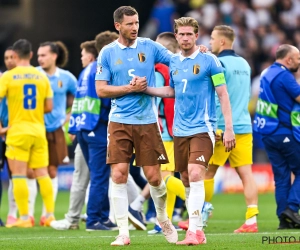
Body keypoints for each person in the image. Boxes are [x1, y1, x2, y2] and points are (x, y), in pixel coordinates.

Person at [145, 17, 235, 245]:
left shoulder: (210, 60)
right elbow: (171, 92)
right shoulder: (174, 62)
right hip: (179, 131)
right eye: (181, 34)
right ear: (176, 36)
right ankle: (198, 230)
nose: (185, 38)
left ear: (197, 35)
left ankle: (194, 231)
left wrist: (228, 129)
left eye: (189, 34)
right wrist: (146, 89)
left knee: (196, 173)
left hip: (203, 129)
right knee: (185, 178)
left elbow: (223, 94)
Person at [95, 6, 178, 246]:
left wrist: (197, 52)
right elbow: (102, 89)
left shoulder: (149, 46)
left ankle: (163, 218)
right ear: (118, 26)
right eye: (129, 24)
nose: (134, 28)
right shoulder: (108, 53)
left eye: (137, 23)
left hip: (147, 122)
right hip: (119, 121)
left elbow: (177, 60)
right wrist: (130, 89)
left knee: (154, 177)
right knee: (118, 173)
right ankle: (123, 232)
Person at [203, 25, 259, 233]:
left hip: (222, 127)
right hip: (244, 125)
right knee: (246, 174)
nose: (210, 43)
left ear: (222, 42)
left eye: (212, 39)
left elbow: (218, 96)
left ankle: (200, 216)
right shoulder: (244, 64)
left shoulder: (219, 63)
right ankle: (251, 220)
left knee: (208, 173)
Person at [0, 39, 55, 228]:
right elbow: (49, 106)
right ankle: (49, 215)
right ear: (31, 55)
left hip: (17, 131)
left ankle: (24, 218)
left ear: (14, 56)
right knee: (42, 174)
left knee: (19, 175)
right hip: (38, 131)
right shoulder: (41, 77)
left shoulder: (8, 76)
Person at [254, 44, 300, 229]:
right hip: (284, 131)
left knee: (281, 177)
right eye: (298, 59)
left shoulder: (266, 73)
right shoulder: (284, 75)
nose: (299, 62)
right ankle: (292, 208)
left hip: (268, 134)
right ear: (288, 59)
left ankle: (284, 220)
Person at [148, 31, 186, 234]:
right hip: (177, 129)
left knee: (163, 177)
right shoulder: (179, 69)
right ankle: (165, 222)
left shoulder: (159, 70)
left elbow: (154, 102)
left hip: (162, 131)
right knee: (167, 176)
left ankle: (198, 203)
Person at [37, 41, 77, 225]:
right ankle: (24, 214)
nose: (40, 59)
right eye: (38, 56)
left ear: (54, 56)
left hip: (56, 128)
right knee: (30, 172)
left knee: (52, 170)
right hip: (35, 127)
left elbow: (81, 97)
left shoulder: (66, 77)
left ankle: (48, 214)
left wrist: (69, 117)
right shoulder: (34, 75)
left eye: (43, 55)